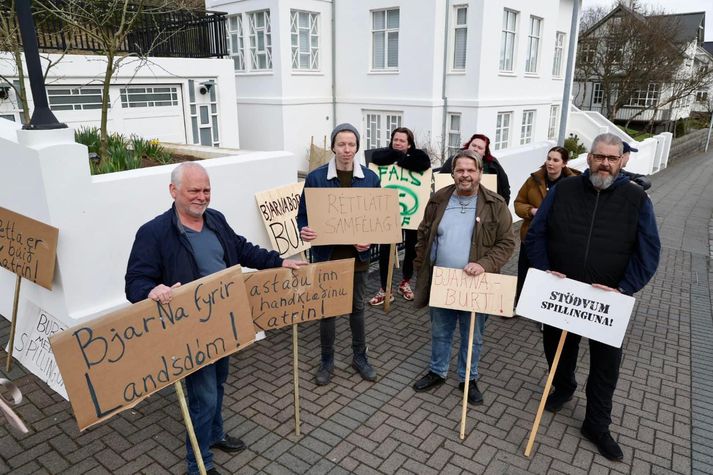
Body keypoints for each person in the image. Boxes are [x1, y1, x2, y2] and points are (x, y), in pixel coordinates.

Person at [125, 162, 306, 475]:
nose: (201, 196)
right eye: (194, 190)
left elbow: (241, 249)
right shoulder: (153, 233)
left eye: (206, 190)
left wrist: (278, 262)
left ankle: (215, 434)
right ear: (173, 191)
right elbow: (135, 282)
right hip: (189, 331)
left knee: (219, 383)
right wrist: (153, 289)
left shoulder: (216, 220)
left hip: (225, 322)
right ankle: (199, 464)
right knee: (203, 394)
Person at [525, 133, 660, 462]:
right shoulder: (564, 190)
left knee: (605, 365)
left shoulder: (636, 199)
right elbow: (536, 233)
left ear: (621, 161)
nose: (605, 163)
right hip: (562, 292)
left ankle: (597, 424)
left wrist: (625, 288)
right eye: (600, 157)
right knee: (556, 346)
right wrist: (544, 270)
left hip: (607, 300)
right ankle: (564, 386)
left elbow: (649, 252)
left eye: (612, 158)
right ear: (588, 158)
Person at [411, 150, 515, 405]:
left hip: (477, 284)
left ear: (480, 173)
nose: (465, 175)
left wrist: (484, 264)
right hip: (443, 282)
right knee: (440, 331)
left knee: (473, 335)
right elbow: (424, 234)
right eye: (460, 170)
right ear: (453, 173)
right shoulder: (439, 199)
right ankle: (437, 371)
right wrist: (420, 263)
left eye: (471, 170)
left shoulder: (496, 204)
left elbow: (507, 243)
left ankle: (468, 378)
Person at [297, 123, 381, 386]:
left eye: (352, 144)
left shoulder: (370, 179)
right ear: (333, 146)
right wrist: (304, 230)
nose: (347, 149)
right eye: (342, 144)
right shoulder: (316, 178)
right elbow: (303, 216)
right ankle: (327, 360)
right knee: (328, 311)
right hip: (328, 257)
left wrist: (369, 240)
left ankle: (359, 356)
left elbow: (377, 219)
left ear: (357, 147)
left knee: (357, 309)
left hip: (357, 259)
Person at [367, 127, 431, 306]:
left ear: (409, 144)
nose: (398, 143)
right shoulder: (385, 154)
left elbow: (423, 164)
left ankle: (405, 283)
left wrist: (400, 159)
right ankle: (384, 288)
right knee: (385, 251)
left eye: (402, 141)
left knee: (411, 249)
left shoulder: (418, 155)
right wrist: (400, 157)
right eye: (395, 140)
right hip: (389, 215)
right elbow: (375, 158)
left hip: (411, 215)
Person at [513, 146, 580, 304]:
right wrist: (532, 211)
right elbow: (518, 203)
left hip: (558, 240)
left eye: (556, 160)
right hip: (530, 236)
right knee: (525, 272)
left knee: (549, 275)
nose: (550, 163)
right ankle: (519, 304)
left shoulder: (573, 184)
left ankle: (543, 310)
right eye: (549, 158)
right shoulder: (533, 180)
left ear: (564, 163)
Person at [439, 133, 511, 204]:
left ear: (485, 152)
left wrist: (501, 208)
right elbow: (440, 181)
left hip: (486, 206)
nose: (475, 149)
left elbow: (505, 189)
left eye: (480, 148)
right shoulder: (453, 160)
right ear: (468, 146)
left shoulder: (493, 165)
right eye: (473, 145)